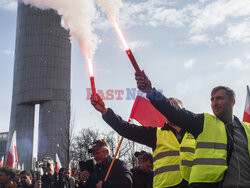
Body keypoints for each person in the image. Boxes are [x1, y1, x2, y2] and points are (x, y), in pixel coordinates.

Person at [135, 71, 250, 188]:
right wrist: (150, 92)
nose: (214, 103)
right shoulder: (203, 122)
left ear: (233, 101)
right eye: (212, 99)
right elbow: (173, 112)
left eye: (219, 98)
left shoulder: (247, 129)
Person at [90, 94, 196, 188]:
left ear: (184, 110)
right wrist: (104, 111)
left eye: (174, 107)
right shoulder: (156, 134)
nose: (170, 111)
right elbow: (126, 129)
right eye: (167, 108)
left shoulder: (197, 132)